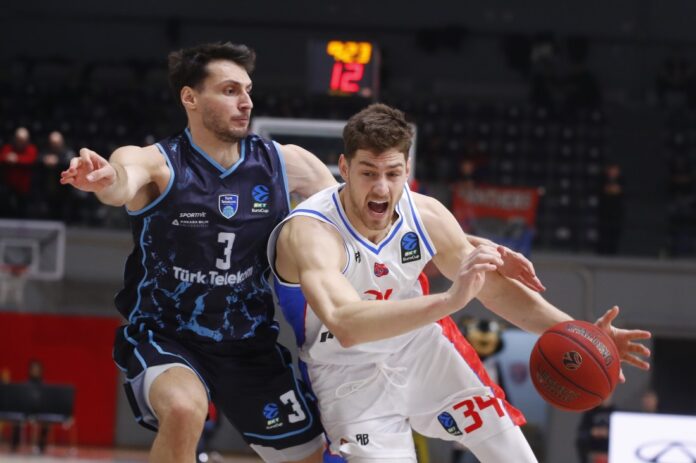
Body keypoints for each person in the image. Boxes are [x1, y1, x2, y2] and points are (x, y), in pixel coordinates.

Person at [268, 103, 652, 462]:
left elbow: (496, 290)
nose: (381, 188)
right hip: (346, 374)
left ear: (407, 169)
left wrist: (582, 335)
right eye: (368, 173)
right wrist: (450, 300)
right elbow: (346, 324)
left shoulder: (427, 216)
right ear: (344, 168)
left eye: (393, 173)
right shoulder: (311, 233)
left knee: (514, 455)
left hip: (421, 352)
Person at [60, 42, 337, 463]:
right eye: (229, 90)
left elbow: (347, 216)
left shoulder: (285, 163)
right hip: (166, 335)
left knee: (311, 456)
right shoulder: (158, 163)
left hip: (249, 344)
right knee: (184, 409)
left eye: (247, 90)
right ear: (190, 97)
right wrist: (106, 180)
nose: (245, 102)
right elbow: (121, 179)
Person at [11, 360, 49, 454]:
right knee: (17, 419)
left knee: (46, 421)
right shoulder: (25, 385)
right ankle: (14, 445)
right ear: (30, 370)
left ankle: (41, 446)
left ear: (41, 371)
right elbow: (19, 401)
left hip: (39, 412)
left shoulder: (45, 386)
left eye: (37, 369)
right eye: (33, 369)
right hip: (25, 411)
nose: (35, 371)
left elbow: (47, 402)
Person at [0, 127, 38, 218]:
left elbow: (31, 160)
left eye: (23, 140)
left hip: (25, 186)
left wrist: (17, 159)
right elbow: (1, 157)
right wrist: (7, 158)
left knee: (23, 211)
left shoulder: (31, 149)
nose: (21, 142)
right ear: (15, 139)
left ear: (27, 140)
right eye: (19, 140)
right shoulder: (8, 148)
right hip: (8, 184)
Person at [575, 396, 615, 463]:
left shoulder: (615, 411)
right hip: (594, 446)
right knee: (581, 440)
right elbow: (582, 431)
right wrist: (593, 432)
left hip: (610, 447)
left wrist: (609, 432)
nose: (606, 398)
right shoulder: (591, 412)